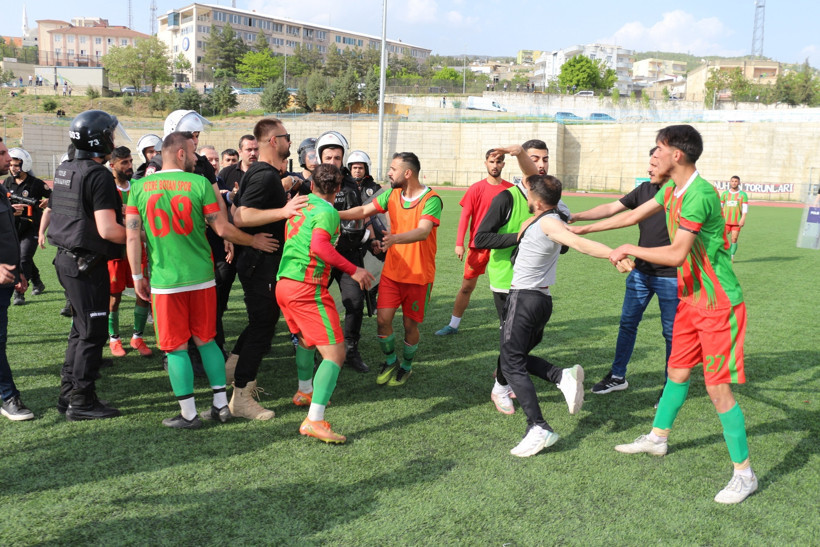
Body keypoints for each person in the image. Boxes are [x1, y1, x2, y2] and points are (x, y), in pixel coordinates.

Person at [572, 125, 756, 504]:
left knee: (717, 390)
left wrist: (628, 250)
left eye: (658, 149)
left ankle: (744, 474)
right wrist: (582, 227)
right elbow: (631, 215)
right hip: (690, 299)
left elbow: (675, 254)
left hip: (719, 305)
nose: (653, 155)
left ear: (678, 155)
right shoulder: (673, 188)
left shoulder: (700, 195)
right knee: (677, 372)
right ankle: (658, 438)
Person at [125, 131, 277, 428]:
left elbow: (132, 236)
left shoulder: (139, 188)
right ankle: (221, 406)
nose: (197, 159)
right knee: (207, 341)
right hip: (203, 278)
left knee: (175, 347)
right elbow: (222, 228)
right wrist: (252, 240)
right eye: (194, 153)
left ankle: (189, 414)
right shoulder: (199, 184)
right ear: (180, 153)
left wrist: (136, 275)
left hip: (166, 280)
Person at [501, 173, 632, 457]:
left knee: (511, 363)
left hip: (525, 298)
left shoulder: (549, 221)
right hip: (538, 300)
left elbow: (577, 242)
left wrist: (614, 254)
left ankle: (538, 426)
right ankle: (561, 376)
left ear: (534, 199)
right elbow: (532, 183)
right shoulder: (548, 214)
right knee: (515, 357)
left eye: (528, 192)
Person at [276, 164, 374, 442]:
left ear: (313, 185)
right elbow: (319, 246)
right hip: (306, 288)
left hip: (285, 283)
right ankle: (314, 421)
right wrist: (355, 270)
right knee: (335, 355)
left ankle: (304, 391)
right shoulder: (327, 211)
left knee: (307, 341)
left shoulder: (302, 205)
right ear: (338, 189)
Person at [570, 147, 678, 399]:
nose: (648, 169)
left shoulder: (681, 194)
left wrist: (586, 231)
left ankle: (670, 388)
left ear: (669, 164)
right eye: (648, 162)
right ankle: (617, 376)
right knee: (628, 324)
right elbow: (611, 209)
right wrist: (577, 217)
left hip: (672, 276)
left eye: (654, 163)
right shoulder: (644, 190)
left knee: (671, 333)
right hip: (641, 273)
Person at [473, 139, 570, 415]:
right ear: (524, 162)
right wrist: (520, 236)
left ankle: (505, 378)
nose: (541, 165)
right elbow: (481, 237)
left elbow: (563, 241)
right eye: (535, 159)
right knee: (512, 342)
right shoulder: (507, 197)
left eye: (545, 159)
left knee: (529, 340)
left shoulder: (551, 198)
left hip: (536, 284)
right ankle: (500, 387)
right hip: (508, 282)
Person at [48, 110, 129, 420]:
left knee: (79, 331)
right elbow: (108, 229)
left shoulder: (65, 168)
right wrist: (141, 236)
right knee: (92, 332)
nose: (113, 139)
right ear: (99, 138)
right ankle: (81, 401)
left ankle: (68, 394)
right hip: (85, 263)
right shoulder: (97, 175)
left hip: (66, 260)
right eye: (110, 134)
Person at [228, 118, 308, 419]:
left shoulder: (261, 173)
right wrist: (284, 211)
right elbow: (241, 216)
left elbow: (236, 207)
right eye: (287, 136)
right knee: (262, 326)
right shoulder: (264, 175)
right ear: (274, 141)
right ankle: (242, 397)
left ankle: (231, 372)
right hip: (260, 266)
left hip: (257, 262)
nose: (290, 141)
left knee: (259, 322)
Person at [339, 152, 441, 386]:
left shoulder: (432, 199)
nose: (388, 173)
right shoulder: (392, 195)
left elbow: (424, 230)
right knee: (383, 320)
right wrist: (333, 214)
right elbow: (363, 211)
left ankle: (406, 366)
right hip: (393, 273)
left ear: (407, 173)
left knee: (409, 325)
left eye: (393, 169)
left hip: (419, 276)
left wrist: (395, 239)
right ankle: (390, 360)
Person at [320, 132, 379, 373]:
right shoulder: (307, 184)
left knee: (354, 302)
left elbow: (362, 216)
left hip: (347, 254)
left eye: (337, 157)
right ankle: (315, 350)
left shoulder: (350, 186)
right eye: (328, 156)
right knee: (314, 303)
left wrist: (372, 238)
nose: (333, 162)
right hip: (320, 254)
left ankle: (351, 349)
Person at [435, 149, 512, 336]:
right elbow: (465, 216)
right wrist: (459, 243)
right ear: (485, 163)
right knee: (467, 287)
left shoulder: (511, 190)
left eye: (499, 161)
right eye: (492, 161)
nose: (495, 165)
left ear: (503, 164)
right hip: (478, 246)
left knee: (506, 290)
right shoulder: (476, 188)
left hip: (501, 246)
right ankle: (453, 325)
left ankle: (510, 327)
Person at [105, 146, 152, 358]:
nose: (129, 167)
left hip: (138, 248)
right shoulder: (105, 188)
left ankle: (137, 337)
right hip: (115, 251)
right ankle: (114, 339)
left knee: (143, 292)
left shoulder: (138, 187)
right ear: (112, 165)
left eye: (130, 162)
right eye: (124, 163)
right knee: (114, 296)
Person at [0, 138, 35, 421]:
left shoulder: (1, 190)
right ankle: (8, 396)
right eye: (2, 153)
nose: (9, 158)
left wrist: (20, 271)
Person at [5, 147, 51, 306]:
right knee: (23, 257)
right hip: (13, 228)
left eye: (16, 165)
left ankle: (19, 293)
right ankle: (37, 282)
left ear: (25, 165)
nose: (12, 168)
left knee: (23, 257)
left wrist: (48, 202)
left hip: (31, 228)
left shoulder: (36, 184)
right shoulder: (7, 182)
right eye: (11, 165)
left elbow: (55, 197)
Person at [720, 176, 748, 262]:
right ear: (730, 182)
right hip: (725, 221)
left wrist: (743, 218)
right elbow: (720, 207)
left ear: (739, 183)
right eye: (732, 181)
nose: (734, 183)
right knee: (721, 238)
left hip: (736, 222)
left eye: (736, 181)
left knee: (734, 239)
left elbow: (745, 208)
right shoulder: (724, 194)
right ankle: (721, 255)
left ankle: (731, 256)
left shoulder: (743, 195)